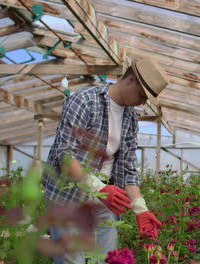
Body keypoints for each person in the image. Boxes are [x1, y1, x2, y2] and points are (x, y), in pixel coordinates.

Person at [42, 57, 169, 263]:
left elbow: (127, 167)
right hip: (67, 195)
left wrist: (140, 208)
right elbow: (64, 155)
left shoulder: (129, 117)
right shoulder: (83, 100)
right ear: (131, 80)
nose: (143, 102)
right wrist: (98, 188)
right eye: (143, 95)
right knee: (72, 259)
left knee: (108, 258)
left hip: (105, 196)